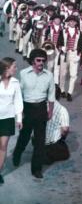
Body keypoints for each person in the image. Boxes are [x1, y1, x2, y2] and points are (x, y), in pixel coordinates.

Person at [13, 49, 56, 179]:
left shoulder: (49, 75)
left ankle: (36, 169)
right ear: (32, 61)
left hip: (41, 108)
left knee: (40, 141)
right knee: (25, 136)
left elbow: (51, 95)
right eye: (38, 60)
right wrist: (19, 113)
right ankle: (17, 153)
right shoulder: (24, 74)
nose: (41, 63)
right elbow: (18, 94)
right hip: (28, 108)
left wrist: (50, 111)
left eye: (43, 60)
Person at [0, 58, 22, 184]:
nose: (16, 68)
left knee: (3, 146)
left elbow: (18, 100)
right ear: (7, 68)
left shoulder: (15, 82)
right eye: (14, 66)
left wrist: (19, 118)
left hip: (8, 118)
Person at [45, 100, 70, 165]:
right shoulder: (62, 109)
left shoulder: (41, 106)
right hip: (53, 143)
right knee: (66, 154)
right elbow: (65, 129)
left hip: (39, 140)